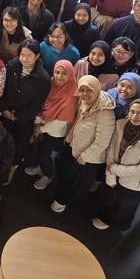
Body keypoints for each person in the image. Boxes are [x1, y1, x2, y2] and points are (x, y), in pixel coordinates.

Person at [92, 98, 140, 231]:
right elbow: (112, 147)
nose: (135, 116)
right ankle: (105, 217)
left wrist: (115, 169)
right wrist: (112, 172)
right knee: (110, 197)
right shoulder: (121, 124)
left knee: (124, 204)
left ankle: (116, 224)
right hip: (114, 169)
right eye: (132, 111)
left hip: (134, 180)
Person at [50, 75, 116, 213]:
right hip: (72, 145)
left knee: (77, 181)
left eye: (89, 90)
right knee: (65, 173)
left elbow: (102, 142)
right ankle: (60, 195)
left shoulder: (105, 113)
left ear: (97, 89)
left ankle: (63, 201)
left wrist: (84, 156)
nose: (85, 94)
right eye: (82, 90)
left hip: (87, 156)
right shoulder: (83, 102)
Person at [0, 39, 51, 184]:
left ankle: (12, 166)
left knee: (19, 144)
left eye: (29, 56)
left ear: (37, 56)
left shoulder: (43, 78)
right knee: (3, 140)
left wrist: (17, 115)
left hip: (24, 119)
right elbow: (1, 89)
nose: (24, 59)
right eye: (22, 54)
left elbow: (37, 104)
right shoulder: (11, 66)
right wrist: (4, 109)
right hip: (6, 113)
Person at [26, 60, 77, 190]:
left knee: (44, 153)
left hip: (55, 131)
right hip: (42, 124)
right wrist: (38, 122)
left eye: (64, 73)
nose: (59, 76)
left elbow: (61, 121)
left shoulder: (71, 95)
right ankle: (41, 167)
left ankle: (49, 175)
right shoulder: (50, 83)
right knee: (40, 149)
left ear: (70, 74)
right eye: (57, 72)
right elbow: (41, 103)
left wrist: (41, 128)